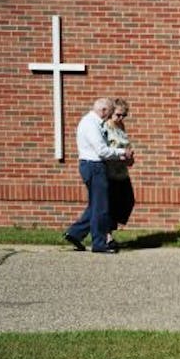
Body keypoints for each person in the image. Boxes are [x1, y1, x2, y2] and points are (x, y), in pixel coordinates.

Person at [63, 96, 134, 253]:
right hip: (94, 166)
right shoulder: (91, 124)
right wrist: (122, 152)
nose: (110, 116)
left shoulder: (94, 122)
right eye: (110, 113)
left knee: (96, 205)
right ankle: (99, 242)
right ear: (103, 110)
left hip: (94, 166)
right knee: (101, 207)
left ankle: (75, 233)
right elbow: (101, 150)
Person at [103, 98, 136, 233]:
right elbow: (104, 150)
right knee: (111, 205)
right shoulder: (105, 127)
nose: (121, 118)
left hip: (122, 171)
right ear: (111, 113)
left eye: (124, 115)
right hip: (109, 172)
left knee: (128, 201)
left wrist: (130, 157)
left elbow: (126, 146)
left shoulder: (121, 127)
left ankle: (110, 230)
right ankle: (107, 235)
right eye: (118, 114)